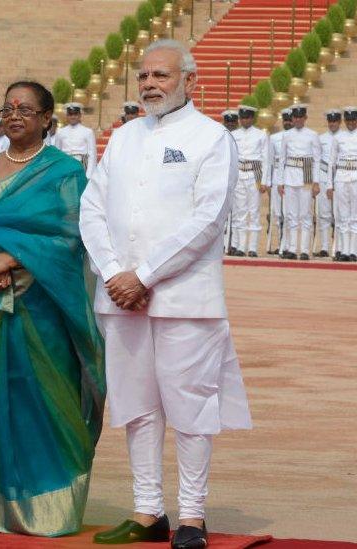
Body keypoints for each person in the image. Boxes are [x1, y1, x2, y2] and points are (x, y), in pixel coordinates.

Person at [80, 40, 252, 549]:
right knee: (137, 404)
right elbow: (93, 207)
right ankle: (148, 510)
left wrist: (145, 275)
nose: (150, 84)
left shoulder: (211, 138)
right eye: (144, 76)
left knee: (190, 407)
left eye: (161, 75)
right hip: (121, 296)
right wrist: (114, 271)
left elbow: (207, 220)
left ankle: (193, 516)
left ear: (189, 81)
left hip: (184, 298)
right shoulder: (125, 137)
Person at [0, 80, 105, 536]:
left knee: (41, 397)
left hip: (42, 307)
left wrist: (10, 259)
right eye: (8, 108)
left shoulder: (64, 173)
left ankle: (47, 506)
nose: (15, 115)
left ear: (47, 118)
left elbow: (73, 235)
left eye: (27, 109)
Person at [277, 104, 322, 260]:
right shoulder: (287, 135)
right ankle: (291, 248)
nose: (297, 120)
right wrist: (280, 181)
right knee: (291, 215)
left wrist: (316, 182)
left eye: (300, 117)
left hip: (306, 177)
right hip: (290, 176)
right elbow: (282, 159)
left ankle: (303, 250)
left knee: (305, 214)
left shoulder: (313, 135)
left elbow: (316, 160)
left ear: (305, 118)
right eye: (295, 117)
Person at [230, 105, 271, 257]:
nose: (244, 120)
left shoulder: (261, 135)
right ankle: (240, 246)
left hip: (255, 174)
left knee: (253, 212)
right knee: (240, 211)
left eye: (247, 118)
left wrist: (265, 181)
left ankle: (252, 247)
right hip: (239, 173)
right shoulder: (234, 134)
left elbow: (266, 159)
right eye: (242, 118)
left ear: (252, 118)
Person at [331, 106, 357, 261]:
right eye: (348, 120)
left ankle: (354, 250)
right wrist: (329, 184)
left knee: (355, 216)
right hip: (341, 177)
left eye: (353, 120)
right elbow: (332, 163)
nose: (351, 123)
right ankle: (345, 251)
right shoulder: (338, 137)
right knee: (343, 215)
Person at [267, 108, 293, 255]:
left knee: (289, 213)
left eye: (290, 120)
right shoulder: (274, 138)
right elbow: (270, 162)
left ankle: (288, 245)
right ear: (282, 121)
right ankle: (280, 243)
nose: (288, 123)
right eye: (286, 120)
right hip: (277, 176)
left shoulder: (296, 137)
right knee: (277, 213)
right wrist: (269, 182)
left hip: (291, 176)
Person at [317, 109, 341, 257]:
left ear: (339, 122)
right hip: (324, 175)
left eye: (335, 121)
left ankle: (338, 247)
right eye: (330, 121)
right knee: (324, 214)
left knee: (340, 215)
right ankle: (325, 247)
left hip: (340, 176)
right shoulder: (321, 138)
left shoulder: (344, 137)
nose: (332, 124)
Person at [54, 103, 97, 178]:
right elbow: (57, 152)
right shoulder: (60, 132)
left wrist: (89, 174)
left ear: (80, 115)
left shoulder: (88, 132)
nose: (73, 117)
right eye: (70, 114)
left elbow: (92, 154)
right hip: (65, 165)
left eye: (75, 114)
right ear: (67, 116)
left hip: (81, 164)